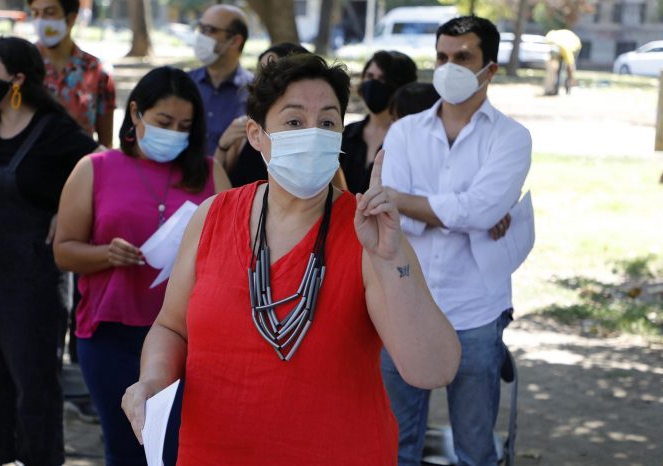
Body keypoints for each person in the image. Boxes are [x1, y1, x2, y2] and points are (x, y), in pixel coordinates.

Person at [121, 53, 461, 464]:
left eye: (328, 122)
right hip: (214, 451)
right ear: (256, 134)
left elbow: (433, 370)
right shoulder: (213, 216)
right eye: (295, 122)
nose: (313, 135)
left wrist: (390, 259)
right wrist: (152, 382)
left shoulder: (370, 232)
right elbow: (171, 327)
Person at [53, 66, 231, 466]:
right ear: (135, 114)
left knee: (183, 449)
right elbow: (63, 251)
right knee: (128, 447)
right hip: (112, 335)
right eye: (164, 121)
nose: (174, 132)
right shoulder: (94, 168)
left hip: (192, 340)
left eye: (185, 125)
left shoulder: (209, 171)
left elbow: (237, 249)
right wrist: (105, 255)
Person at [381, 16, 533, 466]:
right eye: (443, 57)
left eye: (463, 58)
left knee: (475, 448)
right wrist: (459, 213)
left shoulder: (511, 137)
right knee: (395, 446)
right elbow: (387, 211)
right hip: (405, 304)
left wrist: (410, 204)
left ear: (491, 68)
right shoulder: (405, 131)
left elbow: (483, 210)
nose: (450, 67)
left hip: (476, 311)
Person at [0, 36, 98, 466]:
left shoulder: (55, 132)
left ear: (17, 79)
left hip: (32, 287)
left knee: (35, 389)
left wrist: (67, 213)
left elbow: (100, 171)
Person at [216, 42, 309, 187]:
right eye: (261, 73)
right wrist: (223, 145)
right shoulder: (246, 129)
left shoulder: (312, 135)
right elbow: (216, 186)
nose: (263, 81)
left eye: (274, 73)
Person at [28, 0, 116, 147]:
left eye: (49, 12)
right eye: (35, 13)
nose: (41, 21)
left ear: (71, 18)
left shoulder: (97, 71)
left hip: (81, 166)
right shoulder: (20, 65)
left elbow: (105, 142)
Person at [340, 50, 417, 194]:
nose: (374, 84)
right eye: (369, 76)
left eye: (382, 79)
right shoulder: (348, 134)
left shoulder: (411, 139)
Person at [189, 3, 252, 155]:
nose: (201, 36)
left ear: (235, 41)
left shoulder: (256, 91)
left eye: (209, 30)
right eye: (201, 28)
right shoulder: (183, 84)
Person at [544, 28, 581, 95]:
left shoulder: (566, 50)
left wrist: (571, 76)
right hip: (563, 41)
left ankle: (568, 87)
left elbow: (570, 65)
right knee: (555, 69)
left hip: (574, 46)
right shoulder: (549, 39)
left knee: (568, 69)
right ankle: (555, 88)